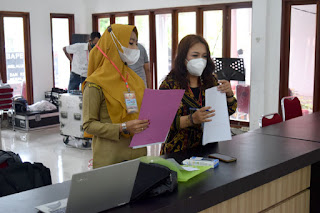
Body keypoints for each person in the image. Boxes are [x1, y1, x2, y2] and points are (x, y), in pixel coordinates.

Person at [82, 24, 149, 168]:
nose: (135, 48)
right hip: (110, 159)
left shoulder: (135, 80)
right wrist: (122, 127)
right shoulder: (95, 84)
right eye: (130, 43)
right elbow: (88, 125)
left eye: (136, 43)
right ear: (114, 43)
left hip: (138, 155)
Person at [159, 35, 237, 154]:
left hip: (208, 148)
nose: (200, 60)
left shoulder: (210, 81)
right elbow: (162, 122)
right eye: (195, 55)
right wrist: (192, 119)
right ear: (183, 57)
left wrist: (229, 95)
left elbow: (228, 111)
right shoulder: (170, 85)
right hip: (178, 151)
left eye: (204, 56)